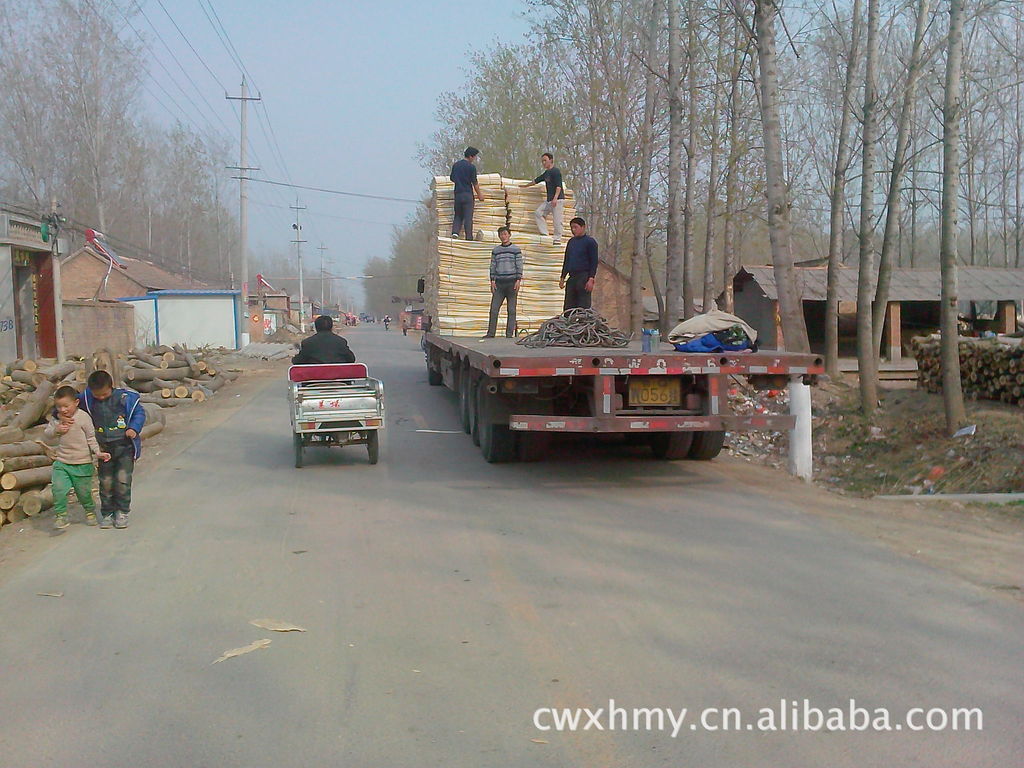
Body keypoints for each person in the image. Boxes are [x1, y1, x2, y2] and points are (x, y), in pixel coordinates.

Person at [79, 370, 145, 529]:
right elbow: (71, 403)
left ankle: (122, 512)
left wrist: (134, 428)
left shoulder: (124, 398)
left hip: (124, 446)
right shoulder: (88, 398)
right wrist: (60, 415)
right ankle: (107, 513)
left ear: (111, 387)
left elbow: (139, 413)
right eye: (97, 395)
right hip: (104, 449)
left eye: (104, 394)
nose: (101, 397)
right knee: (106, 482)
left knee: (122, 480)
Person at [45, 385, 110, 530]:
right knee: (58, 488)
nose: (63, 410)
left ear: (76, 403)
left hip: (82, 462)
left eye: (66, 406)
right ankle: (61, 516)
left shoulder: (83, 418)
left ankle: (89, 511)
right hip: (62, 462)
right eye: (59, 406)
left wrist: (98, 453)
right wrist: (57, 430)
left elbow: (91, 437)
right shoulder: (57, 419)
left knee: (83, 493)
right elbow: (47, 434)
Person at [484, 226, 523, 339]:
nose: (503, 236)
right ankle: (491, 333)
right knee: (494, 309)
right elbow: (492, 266)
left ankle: (509, 334)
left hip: (512, 283)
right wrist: (492, 280)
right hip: (499, 284)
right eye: (501, 234)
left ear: (509, 235)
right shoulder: (496, 250)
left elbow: (519, 265)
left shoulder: (516, 249)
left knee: (511, 310)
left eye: (505, 234)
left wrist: (518, 280)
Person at [522, 152, 566, 244]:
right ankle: (545, 234)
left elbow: (559, 186)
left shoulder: (556, 171)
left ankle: (557, 238)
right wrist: (524, 186)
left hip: (557, 199)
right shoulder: (546, 173)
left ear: (551, 160)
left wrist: (555, 198)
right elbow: (536, 180)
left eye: (545, 160)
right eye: (542, 161)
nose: (543, 163)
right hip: (549, 200)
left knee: (557, 220)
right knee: (538, 213)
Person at [559, 217, 599, 311]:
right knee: (569, 305)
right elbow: (567, 260)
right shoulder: (571, 242)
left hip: (584, 277)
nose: (573, 230)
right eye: (571, 228)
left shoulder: (590, 242)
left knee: (583, 305)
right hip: (572, 277)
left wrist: (591, 279)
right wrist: (562, 277)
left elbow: (594, 261)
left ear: (583, 227)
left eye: (575, 227)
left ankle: (582, 324)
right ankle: (568, 323)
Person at [450, 146, 484, 240]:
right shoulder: (471, 167)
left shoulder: (456, 165)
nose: (475, 159)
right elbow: (475, 183)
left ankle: (455, 232)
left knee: (458, 215)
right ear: (470, 156)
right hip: (467, 194)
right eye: (474, 157)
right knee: (468, 217)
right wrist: (480, 194)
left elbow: (452, 178)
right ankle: (468, 237)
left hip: (458, 194)